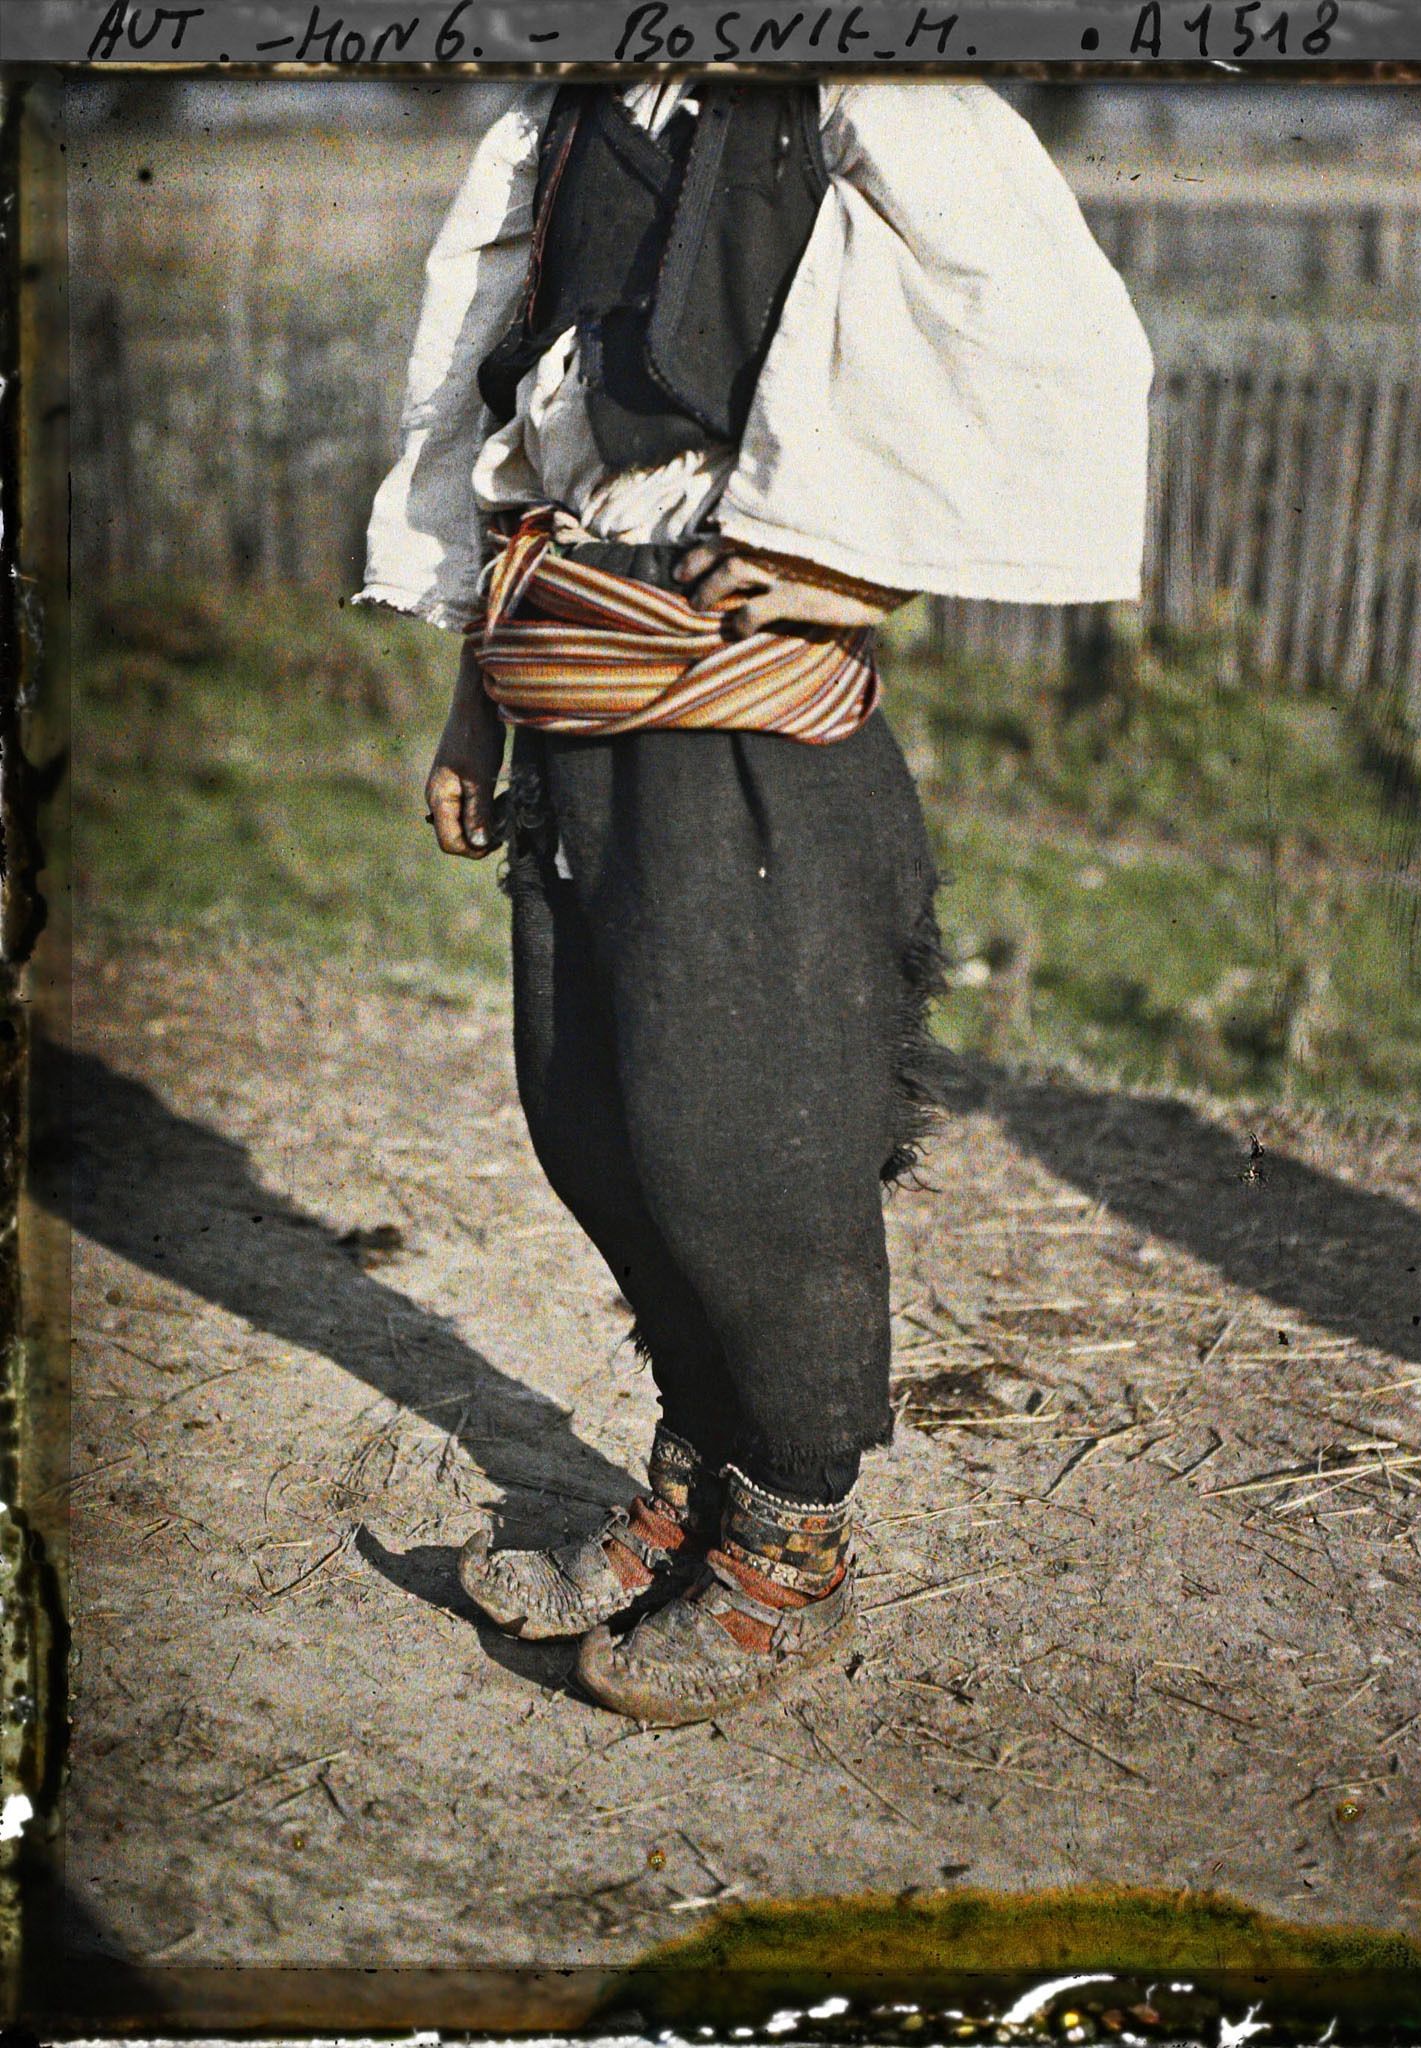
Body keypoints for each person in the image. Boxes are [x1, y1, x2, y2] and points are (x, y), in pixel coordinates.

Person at [358, 74, 1151, 1725]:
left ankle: (792, 1547)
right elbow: (507, 429)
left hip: (746, 724)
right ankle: (693, 1491)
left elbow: (1053, 325)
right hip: (569, 680)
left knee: (743, 1141)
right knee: (592, 1113)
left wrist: (859, 568)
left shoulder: (854, 87)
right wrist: (473, 702)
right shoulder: (566, 116)